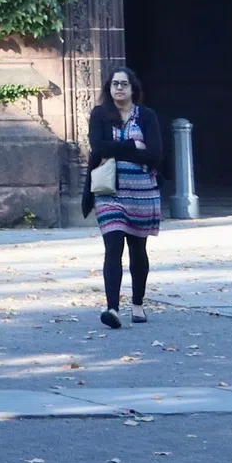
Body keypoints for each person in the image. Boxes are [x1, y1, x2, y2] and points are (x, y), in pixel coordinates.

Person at [83, 65, 165, 327]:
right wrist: (132, 145)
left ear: (132, 88)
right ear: (109, 89)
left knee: (138, 249)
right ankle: (112, 309)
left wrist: (116, 150)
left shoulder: (147, 116)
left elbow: (154, 153)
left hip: (142, 192)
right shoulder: (100, 115)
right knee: (113, 247)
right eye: (115, 84)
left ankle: (138, 303)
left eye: (124, 84)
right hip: (110, 191)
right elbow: (98, 147)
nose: (119, 88)